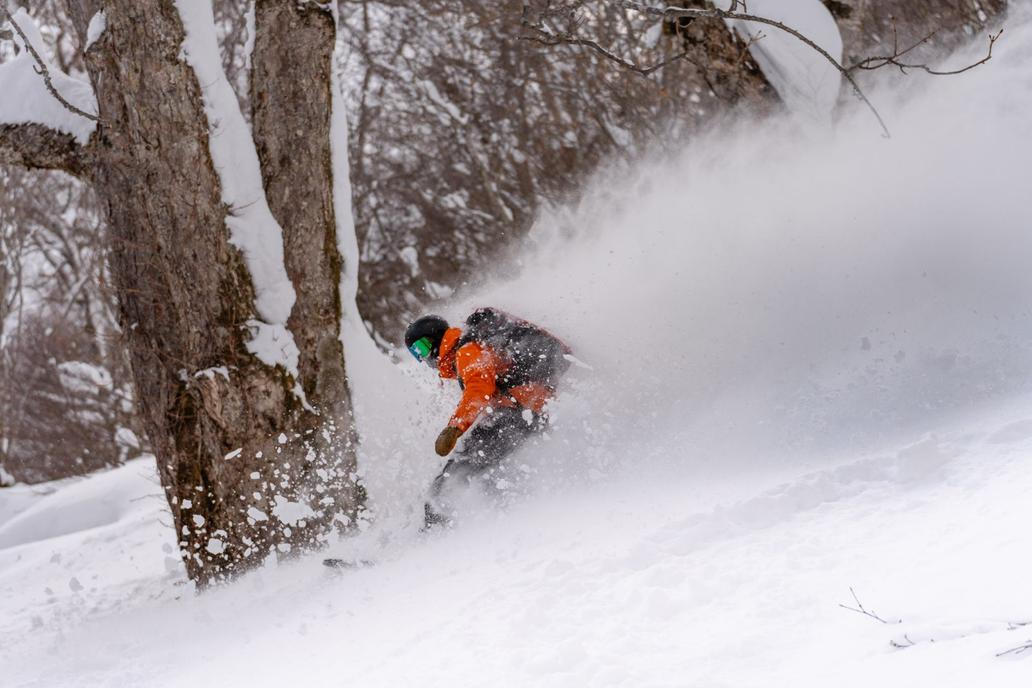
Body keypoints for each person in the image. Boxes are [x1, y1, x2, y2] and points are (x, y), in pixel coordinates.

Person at [405, 307, 571, 526]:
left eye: (422, 348)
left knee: (450, 479)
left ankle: (438, 535)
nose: (424, 358)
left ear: (435, 339)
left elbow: (478, 390)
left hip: (520, 413)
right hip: (527, 412)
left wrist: (454, 428)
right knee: (489, 472)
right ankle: (505, 520)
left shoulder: (466, 350)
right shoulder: (472, 346)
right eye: (416, 353)